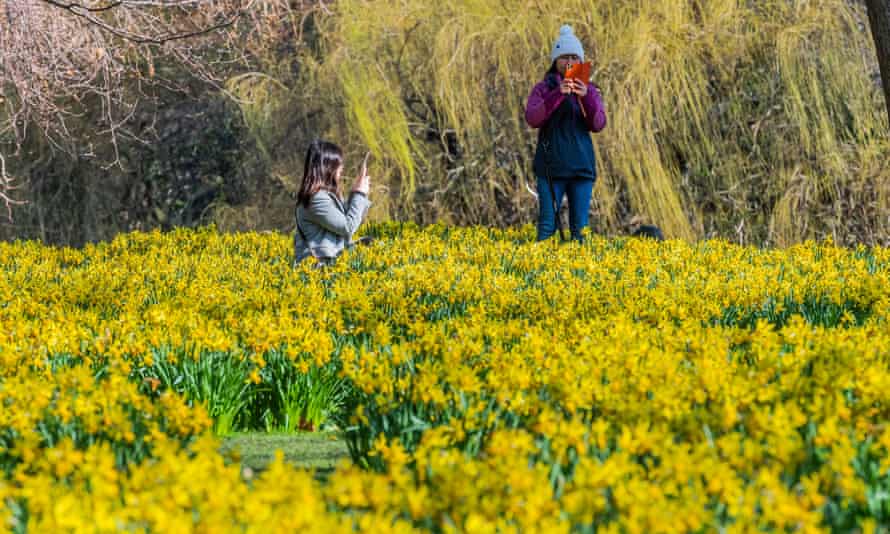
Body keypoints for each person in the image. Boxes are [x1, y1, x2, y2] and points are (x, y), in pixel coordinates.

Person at [525, 24, 607, 242]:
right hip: (551, 167)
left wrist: (586, 97)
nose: (569, 62)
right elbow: (532, 118)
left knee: (581, 228)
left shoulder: (590, 89)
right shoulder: (543, 89)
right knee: (547, 226)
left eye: (574, 57)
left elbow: (598, 124)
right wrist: (557, 95)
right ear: (555, 60)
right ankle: (540, 270)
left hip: (581, 168)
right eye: (564, 57)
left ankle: (579, 273)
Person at [293, 140, 371, 266]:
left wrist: (355, 192)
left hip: (331, 261)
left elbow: (343, 219)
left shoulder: (323, 195)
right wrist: (359, 194)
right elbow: (348, 227)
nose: (342, 167)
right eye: (338, 163)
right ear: (328, 167)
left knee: (371, 244)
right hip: (318, 269)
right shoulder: (316, 199)